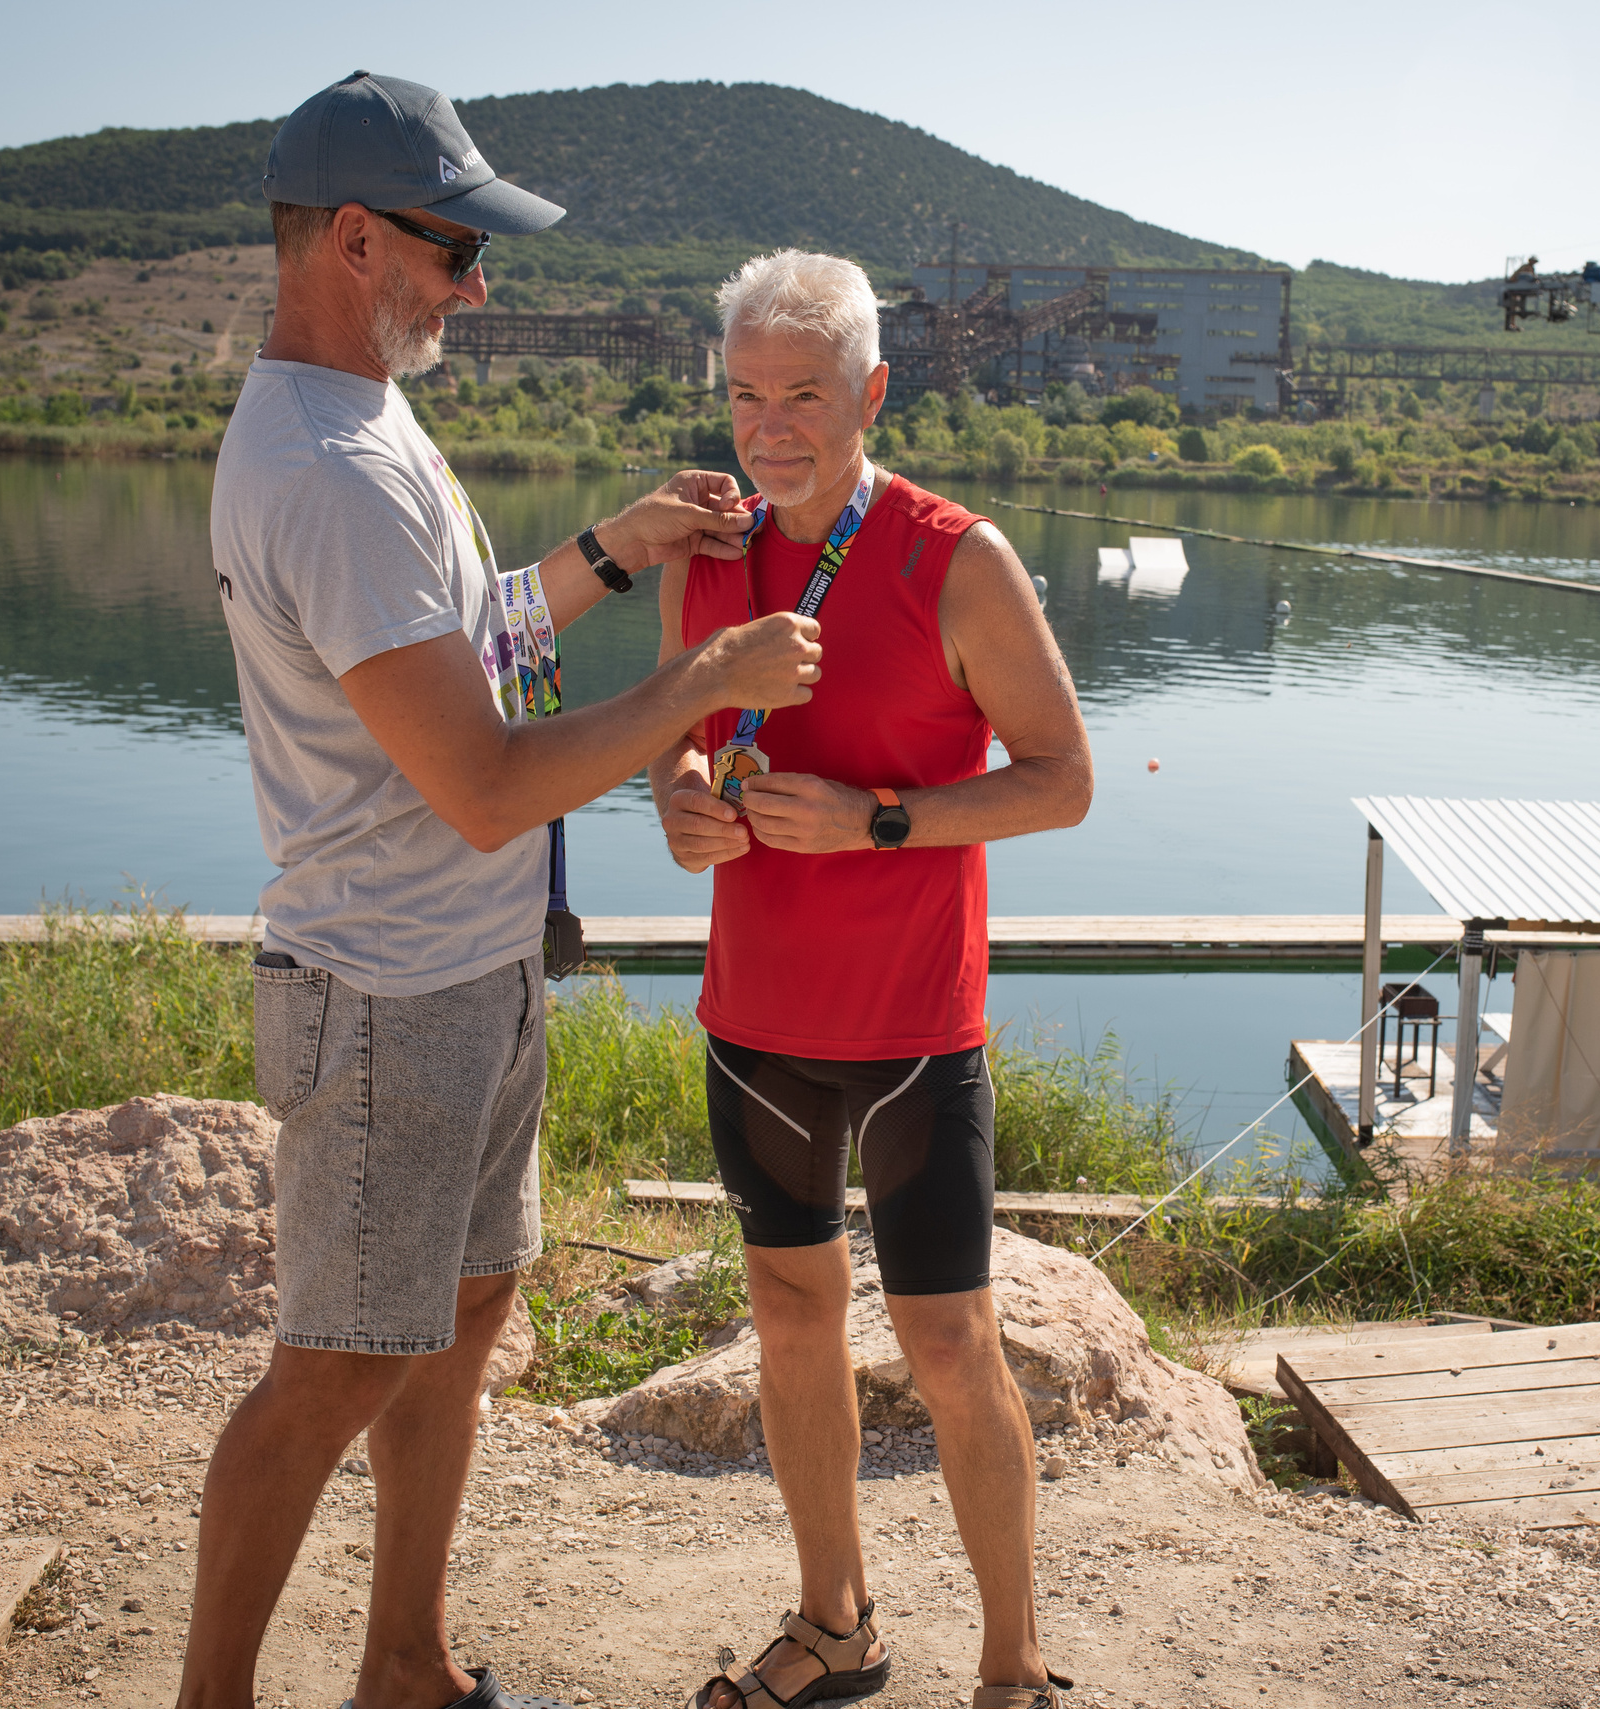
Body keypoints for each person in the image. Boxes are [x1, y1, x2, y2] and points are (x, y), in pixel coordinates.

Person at [186, 72, 821, 1709]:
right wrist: (702, 683)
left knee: (461, 1321)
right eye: (456, 251)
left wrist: (611, 552)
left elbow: (464, 654)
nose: (481, 285)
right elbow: (480, 779)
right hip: (390, 992)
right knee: (328, 1368)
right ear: (350, 240)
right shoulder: (323, 467)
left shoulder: (369, 420)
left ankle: (407, 1667)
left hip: (468, 975)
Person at [652, 251, 1094, 1709]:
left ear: (872, 394)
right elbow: (680, 733)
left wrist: (877, 819)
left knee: (950, 1340)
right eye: (744, 396)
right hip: (755, 1019)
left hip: (911, 1026)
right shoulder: (708, 550)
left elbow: (1062, 781)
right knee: (787, 1315)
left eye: (804, 396)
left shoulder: (953, 554)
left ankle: (1014, 1660)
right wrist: (684, 792)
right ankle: (834, 1622)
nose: (768, 428)